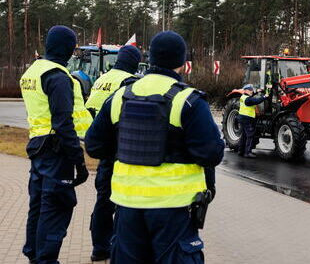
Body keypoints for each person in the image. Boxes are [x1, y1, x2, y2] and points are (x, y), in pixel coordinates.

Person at [85, 31, 224, 263]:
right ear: (182, 62)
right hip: (173, 211)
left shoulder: (120, 96)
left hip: (126, 208)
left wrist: (128, 149)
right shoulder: (188, 100)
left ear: (150, 60)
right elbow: (211, 154)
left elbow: (94, 145)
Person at [20, 25, 93, 264]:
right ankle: (46, 260)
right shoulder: (59, 77)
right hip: (55, 150)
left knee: (39, 206)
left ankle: (34, 255)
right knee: (57, 207)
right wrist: (79, 162)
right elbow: (64, 125)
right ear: (67, 49)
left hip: (38, 147)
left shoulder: (33, 71)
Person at [84, 45, 142, 262]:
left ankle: (99, 248)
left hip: (101, 147)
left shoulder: (102, 79)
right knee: (121, 203)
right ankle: (116, 246)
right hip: (121, 149)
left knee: (102, 201)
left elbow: (88, 109)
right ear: (134, 63)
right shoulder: (129, 83)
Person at [238, 84, 266, 158]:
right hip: (247, 119)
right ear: (245, 90)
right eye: (250, 90)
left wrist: (257, 91)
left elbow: (252, 95)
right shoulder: (248, 99)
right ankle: (247, 152)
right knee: (250, 135)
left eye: (252, 90)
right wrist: (265, 96)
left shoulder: (243, 97)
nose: (251, 91)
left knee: (244, 135)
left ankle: (241, 151)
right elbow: (257, 100)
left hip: (242, 118)